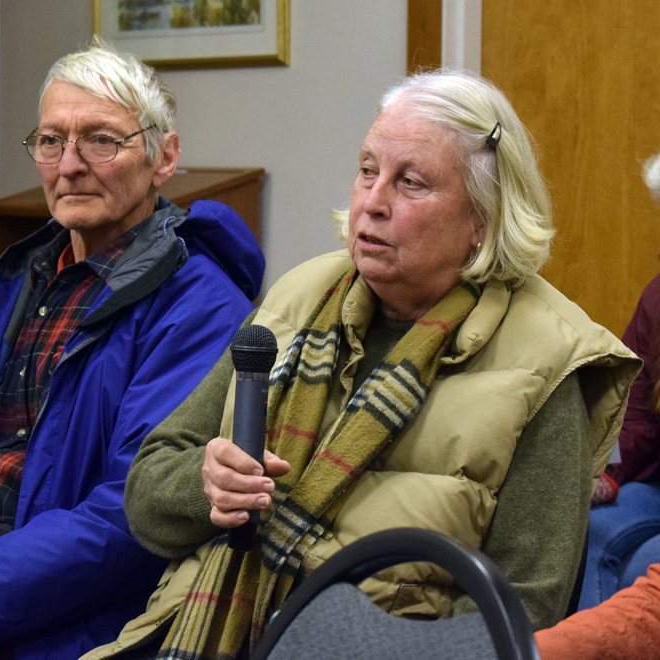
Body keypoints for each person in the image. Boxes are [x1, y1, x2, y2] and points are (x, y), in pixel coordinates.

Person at [81, 70, 639, 660]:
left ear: (483, 219)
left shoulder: (547, 361)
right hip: (197, 631)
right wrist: (208, 484)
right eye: (368, 171)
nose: (373, 202)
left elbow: (522, 616)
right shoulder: (300, 296)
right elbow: (145, 495)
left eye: (411, 183)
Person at [0, 39, 263, 660]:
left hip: (48, 619)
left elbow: (126, 521)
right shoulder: (21, 277)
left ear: (165, 157)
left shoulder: (200, 304)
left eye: (102, 139)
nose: (70, 163)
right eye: (51, 140)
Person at [578, 151, 660, 610]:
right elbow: (634, 414)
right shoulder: (658, 296)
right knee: (592, 530)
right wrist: (604, 476)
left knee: (642, 563)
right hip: (654, 486)